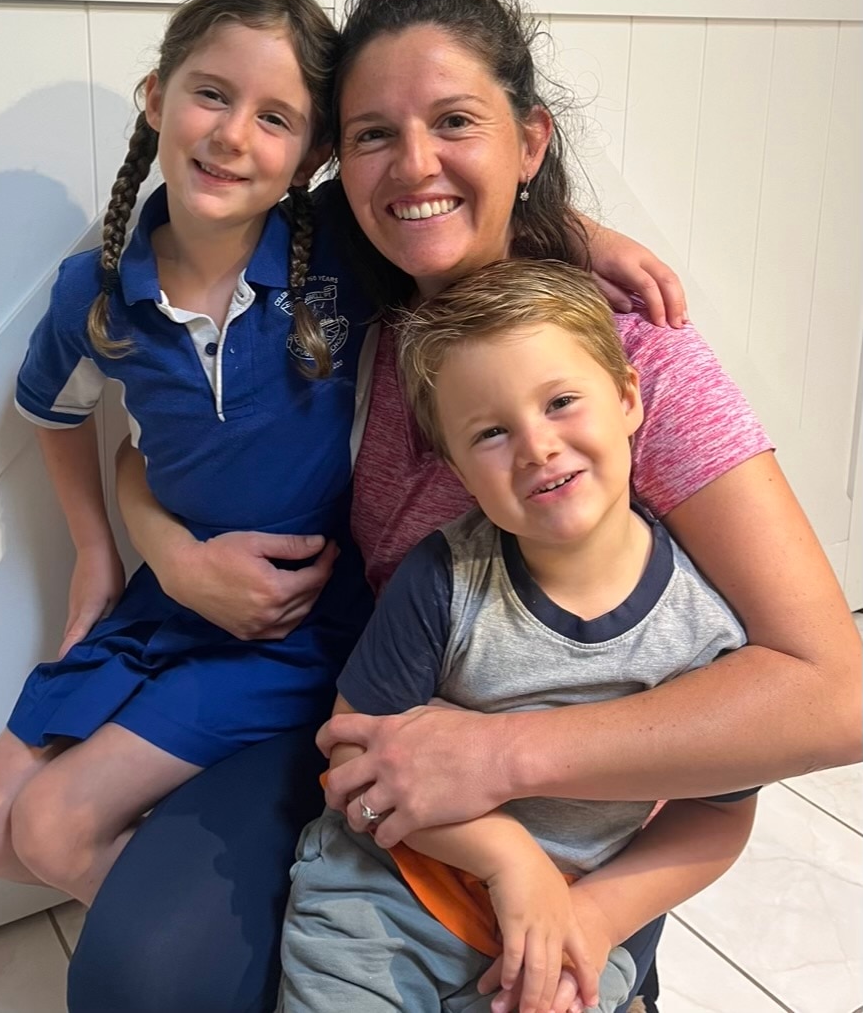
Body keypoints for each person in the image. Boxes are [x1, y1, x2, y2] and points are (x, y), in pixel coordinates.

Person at [68, 0, 860, 1013]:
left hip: (570, 806)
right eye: (372, 134)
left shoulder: (632, 363)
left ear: (529, 140)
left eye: (454, 121)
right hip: (365, 716)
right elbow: (158, 429)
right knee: (136, 980)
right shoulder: (336, 295)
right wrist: (161, 548)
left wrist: (503, 757)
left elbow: (834, 693)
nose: (413, 165)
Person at [0, 0, 377, 907]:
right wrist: (97, 551)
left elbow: (452, 215)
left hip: (298, 619)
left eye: (275, 118)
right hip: (169, 600)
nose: (232, 135)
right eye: (212, 94)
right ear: (157, 96)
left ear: (310, 155)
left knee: (52, 826)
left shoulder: (341, 253)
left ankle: (240, 950)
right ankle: (208, 899)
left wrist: (586, 238)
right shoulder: (96, 294)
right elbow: (54, 413)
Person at [278, 258, 758, 1013]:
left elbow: (720, 812)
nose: (536, 447)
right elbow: (352, 753)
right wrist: (508, 859)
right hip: (387, 896)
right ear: (458, 469)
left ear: (628, 397)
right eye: (492, 432)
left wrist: (596, 918)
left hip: (570, 927)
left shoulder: (705, 632)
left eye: (561, 402)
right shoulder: (441, 578)